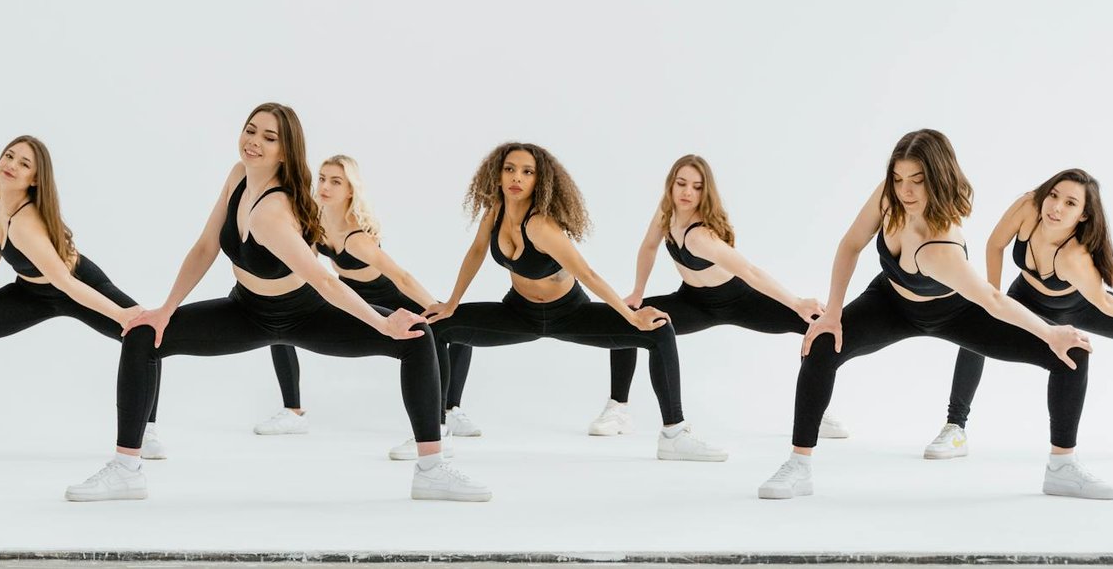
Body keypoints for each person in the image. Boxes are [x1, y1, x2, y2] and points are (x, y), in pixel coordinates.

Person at [101, 103, 490, 502]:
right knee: (143, 335)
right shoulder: (238, 177)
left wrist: (383, 323)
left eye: (269, 138)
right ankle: (126, 469)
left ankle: (431, 470)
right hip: (245, 311)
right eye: (250, 131)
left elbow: (323, 280)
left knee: (416, 336)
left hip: (307, 314)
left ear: (285, 151)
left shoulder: (272, 211)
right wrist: (166, 309)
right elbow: (205, 247)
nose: (254, 142)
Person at [756, 129, 1113, 500]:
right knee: (821, 344)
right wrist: (832, 313)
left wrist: (1051, 333)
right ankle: (799, 465)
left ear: (938, 178)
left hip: (954, 312)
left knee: (1072, 355)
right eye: (898, 179)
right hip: (889, 302)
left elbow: (991, 299)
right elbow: (850, 245)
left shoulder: (941, 247)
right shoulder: (889, 197)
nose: (905, 191)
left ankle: (1062, 467)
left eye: (917, 181)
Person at [425, 142, 726, 461]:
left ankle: (674, 433)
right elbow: (475, 253)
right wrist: (452, 303)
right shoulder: (495, 212)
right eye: (510, 169)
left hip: (569, 313)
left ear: (539, 181)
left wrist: (630, 315)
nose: (517, 178)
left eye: (528, 172)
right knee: (442, 326)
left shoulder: (541, 225)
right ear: (497, 175)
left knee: (659, 329)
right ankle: (439, 428)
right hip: (518, 312)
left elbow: (588, 274)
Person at [0, 135, 166, 460]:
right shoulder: (2, 196)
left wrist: (124, 316)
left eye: (23, 163)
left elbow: (66, 284)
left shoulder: (25, 224)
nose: (11, 165)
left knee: (146, 332)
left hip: (77, 283)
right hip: (32, 291)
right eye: (9, 156)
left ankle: (146, 430)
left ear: (35, 178)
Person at [587, 154, 848, 440]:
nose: (687, 192)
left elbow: (749, 271)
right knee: (631, 319)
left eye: (697, 187)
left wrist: (797, 303)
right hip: (693, 302)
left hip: (740, 301)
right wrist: (637, 293)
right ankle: (618, 409)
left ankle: (817, 413)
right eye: (681, 183)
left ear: (705, 191)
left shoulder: (701, 236)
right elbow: (648, 247)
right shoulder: (666, 213)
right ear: (671, 185)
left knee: (816, 325)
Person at [924, 168, 1113, 460]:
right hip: (1024, 298)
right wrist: (992, 298)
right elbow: (996, 244)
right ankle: (955, 427)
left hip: (1080, 306)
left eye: (1070, 203)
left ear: (1083, 215)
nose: (1056, 207)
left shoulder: (1075, 257)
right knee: (977, 328)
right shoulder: (1029, 208)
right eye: (1054, 195)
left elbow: (1104, 303)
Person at [248, 154, 476, 459]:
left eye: (336, 181)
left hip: (390, 296)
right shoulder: (316, 221)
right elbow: (308, 264)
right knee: (281, 326)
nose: (325, 186)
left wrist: (438, 307)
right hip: (352, 294)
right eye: (323, 178)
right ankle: (293, 411)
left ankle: (444, 420)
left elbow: (401, 277)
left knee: (447, 331)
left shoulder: (357, 238)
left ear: (350, 190)